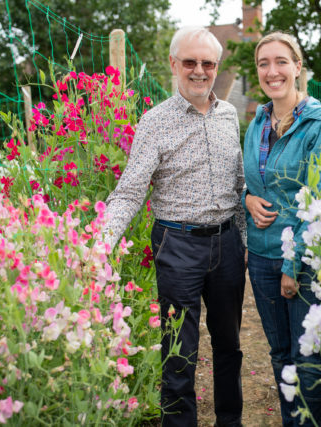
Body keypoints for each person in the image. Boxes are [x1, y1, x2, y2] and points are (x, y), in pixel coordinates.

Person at [102, 26, 246, 427]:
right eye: (190, 62)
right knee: (180, 351)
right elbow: (130, 192)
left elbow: (239, 183)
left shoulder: (229, 115)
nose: (199, 71)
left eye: (208, 63)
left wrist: (244, 242)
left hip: (227, 244)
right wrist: (98, 243)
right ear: (173, 64)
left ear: (216, 67)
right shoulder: (155, 122)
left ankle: (229, 420)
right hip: (178, 245)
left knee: (229, 346)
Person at [242, 32, 321, 426]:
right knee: (280, 354)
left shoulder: (319, 123)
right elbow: (250, 181)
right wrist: (247, 197)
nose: (272, 71)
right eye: (264, 63)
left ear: (298, 67)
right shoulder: (257, 123)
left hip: (300, 259)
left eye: (281, 61)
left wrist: (292, 263)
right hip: (261, 255)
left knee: (307, 356)